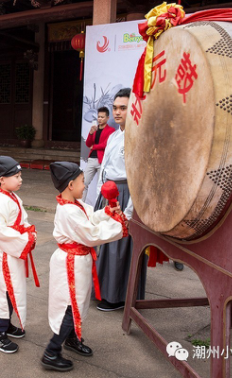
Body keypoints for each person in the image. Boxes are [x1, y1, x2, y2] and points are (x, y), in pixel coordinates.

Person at [41, 162, 128, 372]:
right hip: (70, 264)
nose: (85, 185)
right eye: (82, 181)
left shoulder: (74, 204)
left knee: (76, 304)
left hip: (77, 262)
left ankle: (71, 338)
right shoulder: (68, 212)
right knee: (70, 306)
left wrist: (107, 212)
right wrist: (118, 225)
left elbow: (90, 217)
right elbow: (91, 235)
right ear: (70, 185)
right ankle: (51, 352)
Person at [94, 88, 146, 312]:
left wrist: (129, 211)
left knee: (119, 247)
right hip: (108, 195)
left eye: (122, 108)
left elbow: (139, 176)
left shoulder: (138, 136)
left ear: (132, 109)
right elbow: (104, 169)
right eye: (115, 108)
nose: (117, 112)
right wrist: (100, 197)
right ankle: (101, 291)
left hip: (125, 195)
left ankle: (117, 297)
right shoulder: (114, 135)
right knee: (103, 245)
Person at [0, 156, 38, 354]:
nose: (20, 179)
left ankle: (5, 324)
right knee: (3, 292)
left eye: (20, 175)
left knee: (12, 290)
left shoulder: (13, 197)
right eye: (16, 176)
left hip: (12, 252)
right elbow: (0, 232)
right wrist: (25, 239)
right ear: (2, 180)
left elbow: (22, 220)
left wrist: (28, 231)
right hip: (3, 253)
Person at [83, 107, 115, 201]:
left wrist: (94, 147)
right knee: (84, 183)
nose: (100, 119)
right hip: (92, 159)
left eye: (102, 117)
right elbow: (88, 144)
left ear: (107, 118)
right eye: (98, 117)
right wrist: (91, 133)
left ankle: (98, 210)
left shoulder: (111, 130)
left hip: (102, 161)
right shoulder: (94, 129)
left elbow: (106, 144)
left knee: (100, 186)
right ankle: (81, 206)